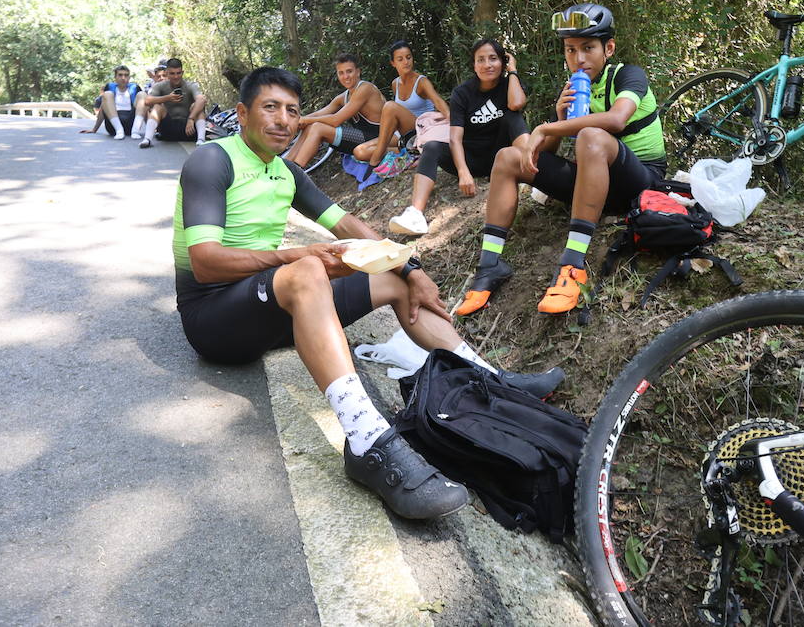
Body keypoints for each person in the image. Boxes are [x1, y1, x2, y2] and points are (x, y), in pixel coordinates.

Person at [172, 65, 564, 519]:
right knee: (305, 269)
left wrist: (410, 265)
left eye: (292, 111)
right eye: (270, 108)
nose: (283, 120)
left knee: (393, 278)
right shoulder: (212, 160)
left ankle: (492, 380)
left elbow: (351, 227)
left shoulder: (286, 173)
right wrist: (301, 259)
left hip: (266, 307)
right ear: (242, 113)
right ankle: (367, 441)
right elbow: (205, 261)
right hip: (214, 317)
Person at [455, 4, 666, 316]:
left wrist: (545, 127)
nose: (578, 59)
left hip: (641, 182)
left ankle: (572, 266)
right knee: (507, 157)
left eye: (588, 48)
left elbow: (618, 119)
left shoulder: (627, 76)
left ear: (608, 48)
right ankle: (490, 265)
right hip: (596, 185)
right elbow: (547, 158)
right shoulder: (574, 88)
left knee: (591, 136)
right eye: (570, 50)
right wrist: (559, 117)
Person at [386, 39, 529, 238]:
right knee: (432, 147)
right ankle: (415, 214)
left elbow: (517, 104)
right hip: (472, 159)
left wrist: (512, 71)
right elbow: (455, 138)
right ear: (474, 65)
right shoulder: (462, 93)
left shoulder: (509, 85)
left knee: (512, 116)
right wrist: (463, 173)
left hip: (503, 158)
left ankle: (529, 170)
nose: (487, 64)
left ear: (503, 62)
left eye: (493, 59)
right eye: (481, 60)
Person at [351, 41, 450, 167]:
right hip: (402, 134)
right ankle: (405, 151)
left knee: (390, 106)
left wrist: (452, 118)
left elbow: (438, 101)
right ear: (393, 63)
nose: (406, 62)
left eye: (408, 57)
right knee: (359, 152)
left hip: (421, 129)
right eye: (400, 59)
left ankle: (375, 160)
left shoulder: (421, 82)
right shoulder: (395, 84)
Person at [284, 53, 385, 167]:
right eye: (341, 73)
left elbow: (336, 120)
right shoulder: (343, 97)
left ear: (358, 72)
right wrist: (297, 121)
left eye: (349, 71)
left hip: (381, 138)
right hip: (364, 138)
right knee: (310, 125)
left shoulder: (365, 89)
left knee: (317, 127)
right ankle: (286, 164)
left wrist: (305, 120)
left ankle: (297, 170)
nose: (345, 76)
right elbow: (319, 114)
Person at [139, 57, 208, 149]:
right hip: (168, 130)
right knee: (157, 107)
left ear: (182, 73)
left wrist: (191, 118)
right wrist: (167, 98)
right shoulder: (160, 86)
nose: (176, 77)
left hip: (189, 129)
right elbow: (147, 101)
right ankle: (147, 139)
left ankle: (201, 140)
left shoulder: (190, 86)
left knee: (197, 106)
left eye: (178, 73)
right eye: (172, 73)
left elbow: (202, 99)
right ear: (167, 73)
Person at [80, 65, 145, 140]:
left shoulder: (135, 88)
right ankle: (119, 131)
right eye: (120, 75)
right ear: (115, 77)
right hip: (113, 127)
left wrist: (153, 128)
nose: (123, 78)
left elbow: (144, 107)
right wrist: (94, 129)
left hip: (131, 125)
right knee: (107, 94)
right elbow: (103, 108)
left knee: (143, 94)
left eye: (126, 75)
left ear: (129, 78)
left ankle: (135, 131)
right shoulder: (110, 87)